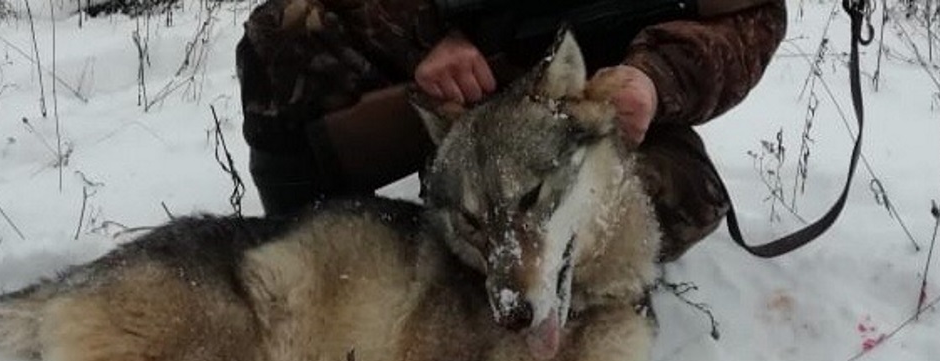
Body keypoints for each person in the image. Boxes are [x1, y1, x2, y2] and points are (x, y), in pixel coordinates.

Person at [235, 0, 787, 262]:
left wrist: (652, 78)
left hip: (595, 116)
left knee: (678, 199)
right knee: (280, 32)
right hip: (471, 87)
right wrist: (428, 37)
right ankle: (299, 252)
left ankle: (534, 291)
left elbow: (747, 23)